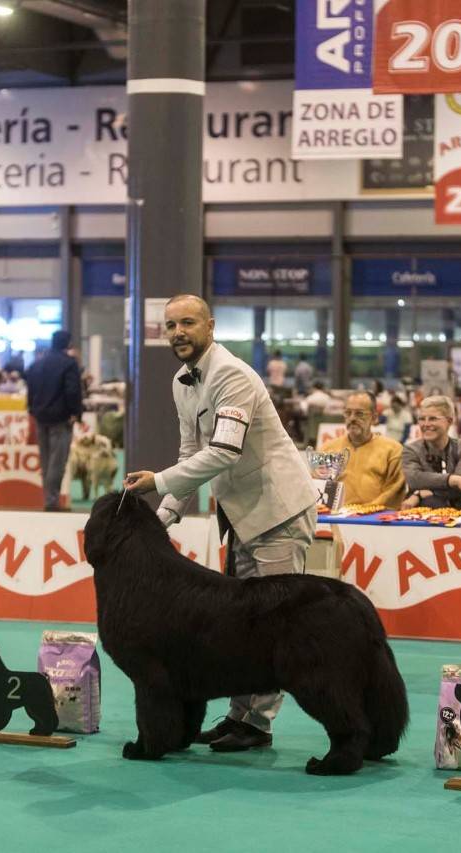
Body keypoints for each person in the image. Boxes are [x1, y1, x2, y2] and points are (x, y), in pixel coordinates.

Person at [124, 294, 318, 753]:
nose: (178, 333)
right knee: (242, 626)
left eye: (187, 323)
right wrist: (163, 517)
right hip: (241, 516)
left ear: (210, 326)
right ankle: (239, 716)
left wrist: (158, 482)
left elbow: (225, 452)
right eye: (170, 326)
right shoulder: (181, 381)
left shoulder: (232, 375)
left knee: (273, 626)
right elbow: (191, 455)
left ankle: (259, 724)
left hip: (279, 512)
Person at [25, 330, 84, 511]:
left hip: (40, 417)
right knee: (57, 462)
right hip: (61, 418)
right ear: (67, 344)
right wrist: (76, 412)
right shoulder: (69, 364)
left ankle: (49, 499)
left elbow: (31, 390)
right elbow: (72, 391)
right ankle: (52, 502)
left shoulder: (37, 363)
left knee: (46, 460)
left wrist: (32, 409)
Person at [319, 391, 406, 510]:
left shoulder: (393, 449)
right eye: (348, 413)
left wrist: (366, 510)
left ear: (374, 418)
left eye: (359, 414)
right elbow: (318, 487)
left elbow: (394, 489)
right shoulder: (328, 449)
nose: (352, 418)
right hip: (336, 518)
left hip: (375, 519)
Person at [401, 395, 461, 509]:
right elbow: (415, 479)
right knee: (431, 502)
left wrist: (418, 495)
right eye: (422, 419)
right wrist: (453, 479)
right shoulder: (410, 450)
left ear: (449, 421)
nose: (426, 424)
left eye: (433, 418)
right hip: (424, 518)